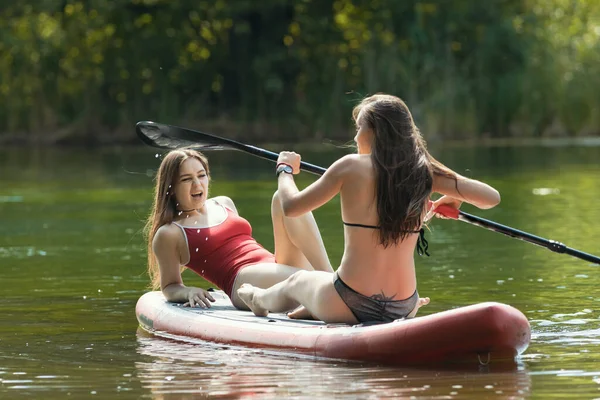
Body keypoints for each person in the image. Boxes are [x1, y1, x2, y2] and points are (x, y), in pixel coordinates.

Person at [237, 93, 501, 324]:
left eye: (359, 126)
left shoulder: (350, 166)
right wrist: (453, 194)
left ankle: (258, 298)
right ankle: (314, 307)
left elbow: (291, 206)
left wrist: (284, 170)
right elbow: (491, 198)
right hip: (404, 306)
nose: (355, 135)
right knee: (314, 285)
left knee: (297, 282)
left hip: (348, 301)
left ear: (377, 131)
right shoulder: (424, 173)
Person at [144, 148, 334, 310]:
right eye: (186, 179)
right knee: (310, 282)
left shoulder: (223, 202)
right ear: (171, 188)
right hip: (242, 279)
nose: (197, 184)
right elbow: (169, 286)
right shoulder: (169, 233)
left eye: (201, 175)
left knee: (281, 198)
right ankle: (334, 288)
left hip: (273, 264)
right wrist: (188, 292)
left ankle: (332, 278)